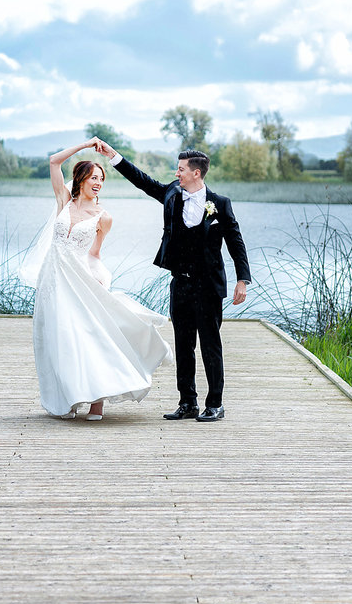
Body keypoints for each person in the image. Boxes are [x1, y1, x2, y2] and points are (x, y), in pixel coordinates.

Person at [95, 141, 251, 422]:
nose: (176, 173)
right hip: (180, 283)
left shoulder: (220, 204)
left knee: (211, 345)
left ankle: (215, 404)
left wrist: (242, 279)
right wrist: (114, 157)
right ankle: (187, 402)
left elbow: (236, 243)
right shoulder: (170, 193)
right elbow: (142, 181)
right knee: (183, 345)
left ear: (196, 174)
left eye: (181, 169)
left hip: (209, 287)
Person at [20, 138, 172, 421]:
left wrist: (100, 277)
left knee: (85, 337)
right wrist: (84, 146)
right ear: (80, 180)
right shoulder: (64, 202)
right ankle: (67, 400)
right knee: (56, 340)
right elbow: (54, 160)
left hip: (80, 283)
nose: (98, 182)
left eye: (101, 178)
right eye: (93, 177)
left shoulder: (104, 217)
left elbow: (95, 254)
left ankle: (97, 401)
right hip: (53, 283)